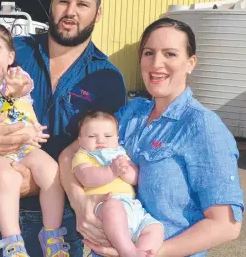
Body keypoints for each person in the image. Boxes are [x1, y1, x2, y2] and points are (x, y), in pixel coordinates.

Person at [0, 0, 127, 256]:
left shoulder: (107, 78)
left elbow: (106, 146)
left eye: (82, 5)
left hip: (61, 222)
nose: (70, 12)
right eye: (63, 1)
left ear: (98, 13)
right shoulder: (14, 50)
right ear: (51, 5)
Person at [59, 17, 244, 257]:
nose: (157, 64)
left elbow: (226, 225)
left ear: (190, 63)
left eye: (170, 54)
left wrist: (149, 253)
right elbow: (68, 156)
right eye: (149, 53)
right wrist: (80, 205)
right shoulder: (130, 115)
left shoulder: (202, 126)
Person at [0, 21, 69, 257]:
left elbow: (24, 89)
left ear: (11, 56)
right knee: (6, 177)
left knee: (52, 170)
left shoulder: (18, 77)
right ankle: (13, 242)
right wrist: (6, 95)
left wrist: (29, 125)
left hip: (25, 148)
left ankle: (52, 234)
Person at [72, 110, 163, 257]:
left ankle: (144, 252)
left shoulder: (120, 153)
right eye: (92, 136)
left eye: (108, 136)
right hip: (104, 205)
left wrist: (127, 170)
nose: (100, 141)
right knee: (113, 208)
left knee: (155, 228)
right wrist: (112, 171)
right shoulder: (83, 155)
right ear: (80, 140)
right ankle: (128, 252)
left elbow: (135, 179)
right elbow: (86, 177)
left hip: (133, 207)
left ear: (117, 138)